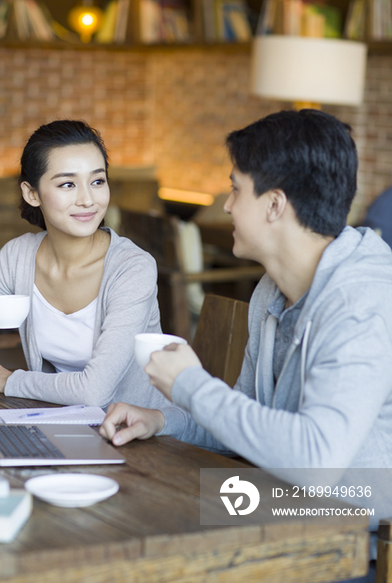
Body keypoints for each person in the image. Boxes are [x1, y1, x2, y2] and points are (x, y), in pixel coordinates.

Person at [100, 109, 392, 583]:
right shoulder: (271, 291)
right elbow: (246, 417)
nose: (228, 205)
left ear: (275, 205)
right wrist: (161, 418)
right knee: (127, 520)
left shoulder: (363, 301)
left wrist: (192, 385)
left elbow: (314, 463)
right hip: (283, 508)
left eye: (236, 189)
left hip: (355, 541)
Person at [0, 120, 169, 411]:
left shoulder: (132, 268)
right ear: (31, 194)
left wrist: (11, 381)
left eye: (97, 181)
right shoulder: (17, 256)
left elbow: (94, 392)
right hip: (67, 422)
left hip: (144, 436)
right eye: (67, 184)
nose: (88, 199)